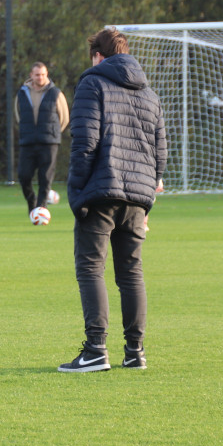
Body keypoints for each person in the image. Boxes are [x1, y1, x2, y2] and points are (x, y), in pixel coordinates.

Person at [59, 27, 166, 372]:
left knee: (91, 267)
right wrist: (148, 196)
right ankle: (135, 352)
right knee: (131, 273)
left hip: (101, 192)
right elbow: (160, 152)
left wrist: (76, 192)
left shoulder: (92, 83)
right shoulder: (149, 93)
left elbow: (85, 142)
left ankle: (95, 350)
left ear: (98, 56)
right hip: (138, 197)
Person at [15, 62, 69, 218]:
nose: (40, 77)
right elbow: (18, 115)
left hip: (49, 142)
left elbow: (64, 118)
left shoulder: (56, 93)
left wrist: (53, 133)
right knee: (24, 176)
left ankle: (41, 209)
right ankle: (31, 201)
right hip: (28, 141)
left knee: (45, 178)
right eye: (37, 75)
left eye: (43, 74)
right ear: (31, 75)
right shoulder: (22, 93)